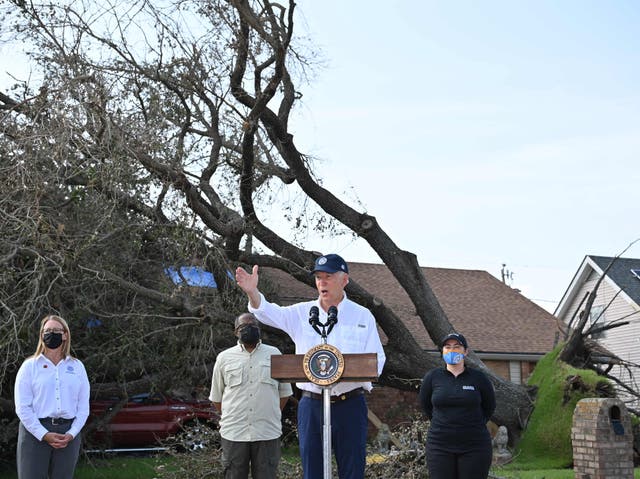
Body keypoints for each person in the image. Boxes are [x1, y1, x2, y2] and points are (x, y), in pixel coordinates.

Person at [235, 253, 386, 479]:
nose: (322, 282)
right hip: (312, 405)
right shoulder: (303, 313)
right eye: (318, 278)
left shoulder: (362, 315)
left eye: (328, 277)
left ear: (344, 280)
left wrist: (350, 374)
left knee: (353, 470)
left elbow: (378, 360)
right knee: (312, 471)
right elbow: (267, 312)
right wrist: (252, 292)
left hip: (350, 404)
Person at [209, 312, 293, 479]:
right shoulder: (224, 358)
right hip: (234, 432)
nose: (249, 329)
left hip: (267, 432)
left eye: (253, 326)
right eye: (243, 326)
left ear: (259, 329)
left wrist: (269, 413)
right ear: (235, 332)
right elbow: (217, 398)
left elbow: (284, 393)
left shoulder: (274, 354)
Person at [14, 314, 90, 479]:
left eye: (56, 330)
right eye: (47, 330)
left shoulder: (77, 367)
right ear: (42, 335)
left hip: (68, 434)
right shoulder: (29, 367)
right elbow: (22, 407)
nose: (51, 333)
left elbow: (83, 406)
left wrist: (72, 433)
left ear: (65, 335)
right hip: (34, 433)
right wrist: (43, 434)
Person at [418, 332, 496, 479]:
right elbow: (426, 405)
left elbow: (489, 406)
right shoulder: (432, 377)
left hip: (475, 446)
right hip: (439, 446)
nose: (452, 350)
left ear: (465, 351)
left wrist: (472, 424)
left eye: (457, 346)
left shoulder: (479, 378)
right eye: (447, 347)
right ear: (442, 352)